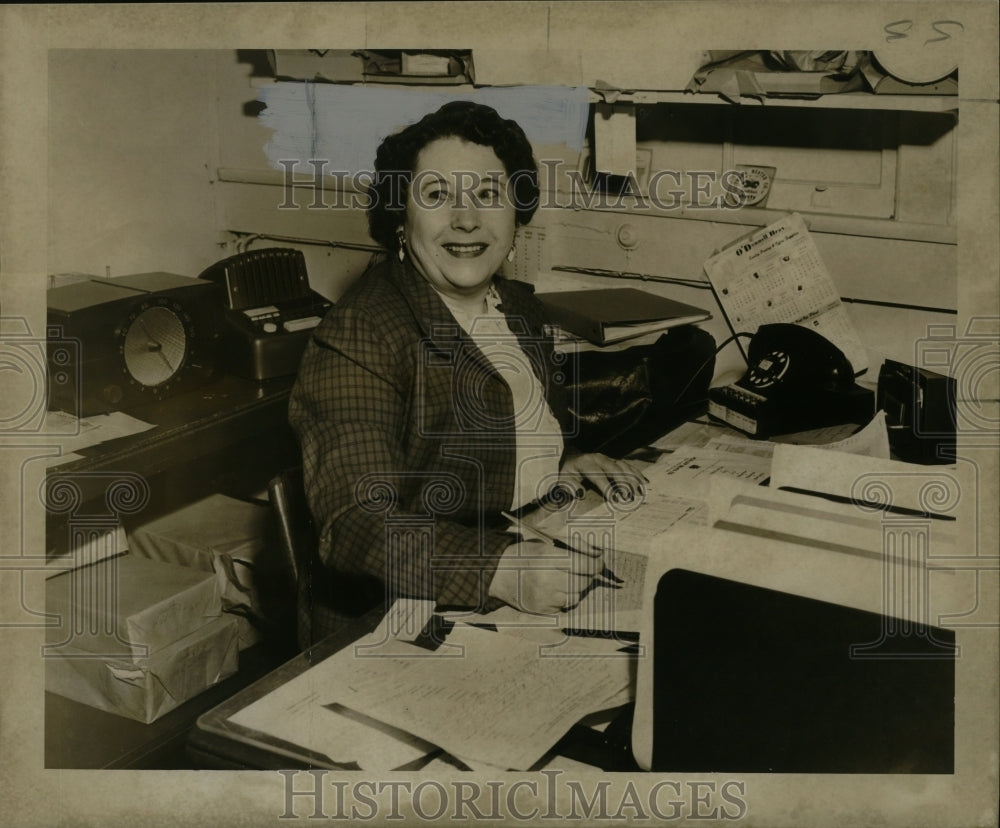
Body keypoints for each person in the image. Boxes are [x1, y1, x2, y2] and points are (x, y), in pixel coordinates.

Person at [289, 100, 641, 616]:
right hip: (399, 607)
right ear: (399, 220)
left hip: (532, 538)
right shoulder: (358, 335)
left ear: (515, 214)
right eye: (436, 195)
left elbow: (499, 441)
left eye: (488, 194)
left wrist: (555, 467)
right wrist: (498, 569)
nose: (467, 219)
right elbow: (355, 521)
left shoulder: (517, 305)